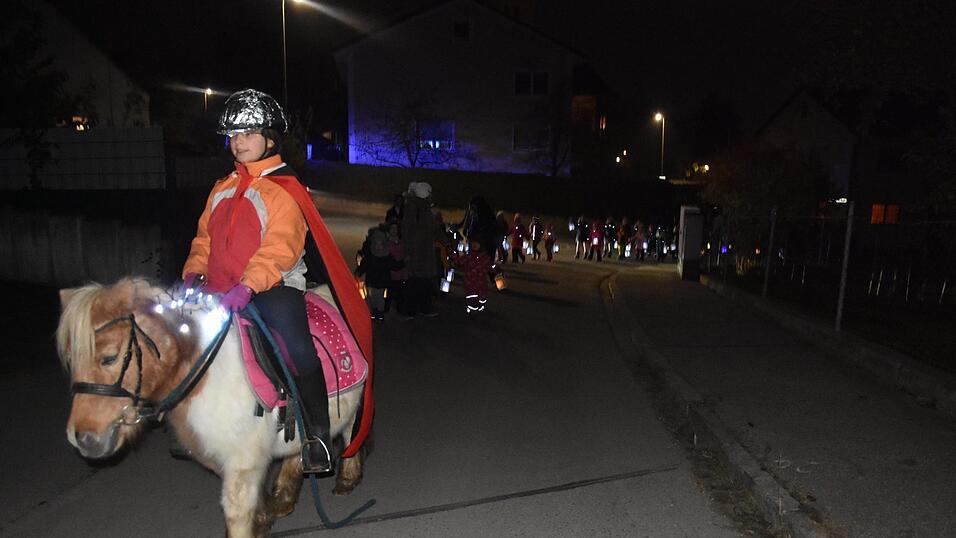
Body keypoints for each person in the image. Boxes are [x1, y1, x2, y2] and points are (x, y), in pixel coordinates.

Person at [181, 89, 372, 476]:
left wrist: (249, 286)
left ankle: (318, 436)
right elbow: (204, 239)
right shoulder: (221, 189)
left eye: (248, 133)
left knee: (297, 349)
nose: (239, 142)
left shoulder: (284, 190)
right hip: (218, 289)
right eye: (233, 136)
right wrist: (192, 273)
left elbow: (279, 248)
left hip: (273, 288)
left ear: (269, 138)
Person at [401, 181, 440, 317]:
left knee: (422, 281)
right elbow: (409, 233)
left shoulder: (422, 210)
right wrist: (409, 253)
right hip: (418, 253)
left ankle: (421, 308)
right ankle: (413, 310)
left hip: (421, 252)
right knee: (416, 282)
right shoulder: (416, 211)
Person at [355, 228, 403, 321]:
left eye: (380, 244)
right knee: (372, 298)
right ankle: (374, 312)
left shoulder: (386, 256)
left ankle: (379, 313)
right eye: (376, 244)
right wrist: (359, 272)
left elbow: (394, 265)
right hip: (372, 281)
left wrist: (403, 263)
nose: (378, 247)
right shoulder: (370, 255)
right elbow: (364, 265)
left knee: (380, 298)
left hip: (382, 282)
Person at [453, 238, 493, 313]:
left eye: (476, 243)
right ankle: (472, 310)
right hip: (470, 281)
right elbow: (460, 261)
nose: (474, 245)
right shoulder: (469, 256)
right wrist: (453, 256)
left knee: (482, 297)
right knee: (471, 297)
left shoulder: (485, 257)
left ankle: (480, 307)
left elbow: (490, 266)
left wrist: (495, 269)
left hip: (481, 282)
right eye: (472, 243)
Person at [385, 220, 407, 315]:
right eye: (392, 228)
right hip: (391, 274)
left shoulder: (402, 242)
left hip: (401, 273)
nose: (394, 230)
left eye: (396, 228)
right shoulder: (386, 243)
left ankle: (400, 312)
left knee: (400, 295)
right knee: (389, 296)